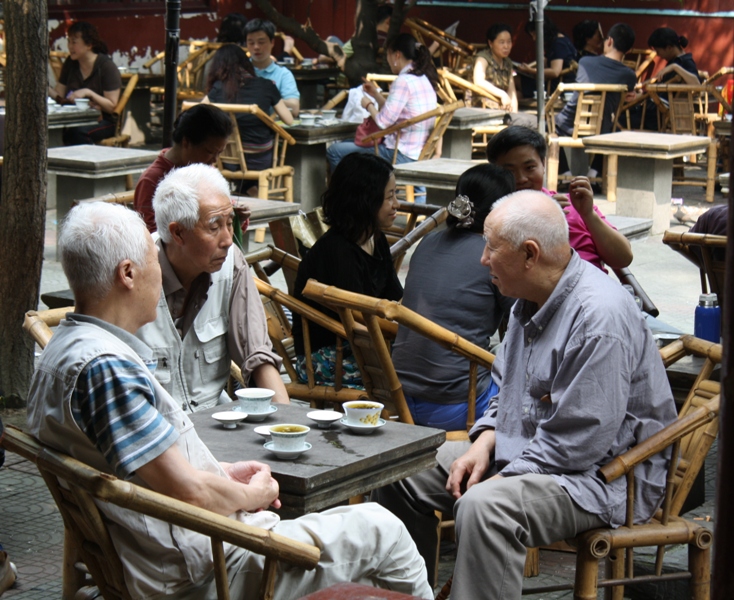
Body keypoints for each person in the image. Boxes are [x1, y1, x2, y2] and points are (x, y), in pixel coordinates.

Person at [26, 201, 433, 600]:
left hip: (172, 553)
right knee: (384, 529)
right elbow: (191, 495)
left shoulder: (61, 350)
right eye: (154, 259)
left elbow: (150, 470)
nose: (161, 273)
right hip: (207, 571)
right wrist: (252, 496)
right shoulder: (105, 369)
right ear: (128, 274)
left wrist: (221, 471)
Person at [374, 191, 678, 596]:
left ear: (529, 254)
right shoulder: (529, 300)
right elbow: (507, 393)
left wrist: (502, 471)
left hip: (603, 476)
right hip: (533, 451)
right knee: (398, 470)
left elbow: (579, 444)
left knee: (485, 508)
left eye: (491, 248)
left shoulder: (597, 316)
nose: (482, 260)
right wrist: (484, 442)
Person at [134, 164, 288, 410]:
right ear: (178, 233)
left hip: (215, 421)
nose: (228, 240)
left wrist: (285, 422)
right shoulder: (133, 274)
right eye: (214, 227)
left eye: (230, 223)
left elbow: (257, 354)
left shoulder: (231, 264)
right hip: (155, 430)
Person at [392, 164, 516, 431]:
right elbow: (527, 319)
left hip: (398, 396)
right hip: (458, 405)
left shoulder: (428, 242)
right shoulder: (492, 255)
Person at [292, 153, 402, 388]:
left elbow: (395, 294)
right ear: (366, 200)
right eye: (390, 197)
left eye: (396, 194)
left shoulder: (375, 237)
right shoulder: (338, 250)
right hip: (327, 354)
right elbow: (358, 318)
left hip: (361, 342)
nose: (397, 205)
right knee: (411, 374)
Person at [486, 125, 632, 271]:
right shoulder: (493, 218)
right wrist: (541, 217)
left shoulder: (575, 205)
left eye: (529, 168)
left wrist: (589, 215)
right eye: (510, 171)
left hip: (595, 288)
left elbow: (623, 258)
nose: (521, 178)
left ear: (543, 164)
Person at [326, 33, 439, 177]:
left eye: (388, 55)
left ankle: (349, 195)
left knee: (334, 151)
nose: (387, 60)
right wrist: (376, 95)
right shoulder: (423, 78)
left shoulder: (403, 81)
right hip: (417, 151)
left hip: (399, 154)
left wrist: (368, 105)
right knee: (349, 142)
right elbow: (397, 113)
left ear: (397, 55)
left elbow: (383, 122)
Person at [134, 103, 233, 232]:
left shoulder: (207, 171)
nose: (215, 160)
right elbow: (150, 234)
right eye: (209, 152)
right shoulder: (152, 180)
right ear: (186, 142)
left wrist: (236, 218)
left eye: (219, 153)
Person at [555, 23, 637, 178]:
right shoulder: (629, 76)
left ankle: (565, 173)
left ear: (610, 41)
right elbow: (628, 96)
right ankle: (594, 174)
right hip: (602, 130)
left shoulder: (585, 62)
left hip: (570, 124)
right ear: (629, 50)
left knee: (547, 127)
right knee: (614, 130)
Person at [204, 45, 294, 174]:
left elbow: (195, 112)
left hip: (226, 159)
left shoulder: (218, 88)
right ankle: (250, 189)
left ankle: (246, 189)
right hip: (259, 159)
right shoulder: (267, 85)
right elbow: (289, 120)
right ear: (246, 63)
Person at [49, 21, 122, 146]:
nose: (70, 46)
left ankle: (86, 162)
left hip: (103, 120)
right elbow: (59, 96)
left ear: (89, 45)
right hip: (75, 119)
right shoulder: (70, 63)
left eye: (74, 42)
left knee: (78, 132)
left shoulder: (106, 67)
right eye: (69, 42)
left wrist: (88, 93)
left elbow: (111, 107)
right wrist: (46, 90)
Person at [245, 19, 300, 117]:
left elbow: (294, 108)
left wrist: (269, 98)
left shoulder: (283, 74)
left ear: (272, 43)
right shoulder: (238, 70)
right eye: (251, 43)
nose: (256, 47)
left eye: (261, 42)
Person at [516, 16, 577, 98]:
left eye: (534, 34)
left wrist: (530, 71)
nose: (534, 39)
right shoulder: (559, 39)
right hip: (556, 83)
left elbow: (555, 72)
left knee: (515, 80)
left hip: (557, 86)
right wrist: (526, 68)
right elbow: (545, 61)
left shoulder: (558, 44)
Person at [472, 23, 518, 112]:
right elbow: (478, 81)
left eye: (509, 42)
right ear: (490, 43)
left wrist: (515, 114)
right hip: (482, 109)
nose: (506, 46)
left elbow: (512, 91)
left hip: (502, 109)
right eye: (502, 42)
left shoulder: (507, 62)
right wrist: (502, 94)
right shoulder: (482, 58)